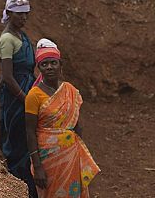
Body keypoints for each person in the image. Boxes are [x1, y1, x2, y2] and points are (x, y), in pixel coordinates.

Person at [26, 39, 100, 198]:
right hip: (47, 159)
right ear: (39, 68)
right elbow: (29, 131)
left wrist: (78, 153)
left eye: (53, 63)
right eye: (44, 64)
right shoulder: (34, 95)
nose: (49, 67)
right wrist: (37, 166)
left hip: (70, 155)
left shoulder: (70, 90)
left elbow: (77, 126)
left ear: (60, 65)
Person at [0, 0, 38, 198]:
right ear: (9, 13)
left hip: (27, 92)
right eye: (19, 13)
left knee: (29, 140)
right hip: (16, 98)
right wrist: (25, 98)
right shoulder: (7, 40)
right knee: (18, 142)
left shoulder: (20, 35)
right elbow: (7, 76)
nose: (23, 17)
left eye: (25, 13)